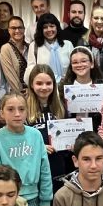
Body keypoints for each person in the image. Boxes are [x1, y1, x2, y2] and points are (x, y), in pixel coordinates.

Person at [0, 92, 53, 206]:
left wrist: (45, 201)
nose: (17, 114)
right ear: (2, 113)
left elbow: (44, 169)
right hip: (6, 201)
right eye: (10, 109)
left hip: (33, 199)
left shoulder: (35, 135)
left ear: (27, 111)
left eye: (22, 109)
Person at [26, 64, 70, 193]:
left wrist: (71, 144)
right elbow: (18, 139)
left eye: (48, 83)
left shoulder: (61, 107)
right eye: (39, 83)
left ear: (54, 84)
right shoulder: (23, 108)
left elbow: (67, 135)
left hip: (57, 166)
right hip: (34, 167)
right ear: (32, 85)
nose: (44, 87)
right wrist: (38, 147)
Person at [58, 46, 103, 133]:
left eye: (84, 61)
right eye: (75, 62)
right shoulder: (63, 88)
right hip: (71, 134)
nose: (79, 65)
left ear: (92, 64)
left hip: (96, 135)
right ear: (71, 66)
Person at [25, 13, 74, 85]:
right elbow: (31, 71)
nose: (49, 30)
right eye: (45, 27)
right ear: (41, 30)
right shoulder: (34, 46)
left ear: (57, 27)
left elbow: (74, 67)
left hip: (67, 87)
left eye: (52, 26)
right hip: (44, 88)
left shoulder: (68, 45)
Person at [0, 15, 29, 94]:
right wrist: (21, 93)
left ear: (24, 29)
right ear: (9, 30)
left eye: (20, 27)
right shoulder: (5, 49)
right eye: (13, 28)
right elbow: (10, 76)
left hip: (32, 93)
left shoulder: (30, 48)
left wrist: (31, 91)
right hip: (15, 95)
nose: (17, 31)